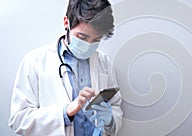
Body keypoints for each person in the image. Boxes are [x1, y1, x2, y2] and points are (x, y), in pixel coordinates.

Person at [8, 0, 123, 135]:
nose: (88, 45)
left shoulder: (104, 62)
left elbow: (116, 106)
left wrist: (110, 119)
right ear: (66, 23)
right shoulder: (35, 61)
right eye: (82, 37)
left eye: (96, 40)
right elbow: (18, 119)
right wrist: (66, 112)